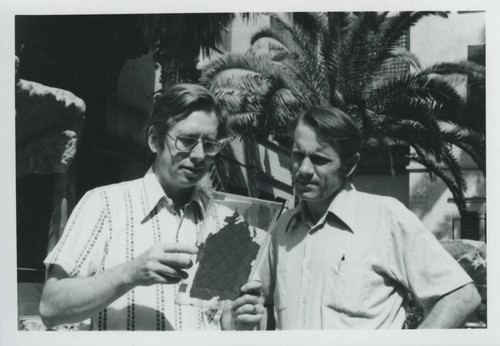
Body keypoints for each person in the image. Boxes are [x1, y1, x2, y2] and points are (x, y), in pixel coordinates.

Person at [39, 83, 264, 331]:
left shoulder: (226, 224)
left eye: (209, 145)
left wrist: (237, 320)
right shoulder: (103, 204)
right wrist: (131, 273)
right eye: (187, 141)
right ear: (155, 140)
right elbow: (51, 308)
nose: (199, 155)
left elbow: (223, 323)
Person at [259, 105, 481, 329]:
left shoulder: (386, 218)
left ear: (349, 164)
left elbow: (461, 296)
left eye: (319, 159)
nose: (304, 169)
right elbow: (265, 307)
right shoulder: (283, 228)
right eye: (298, 155)